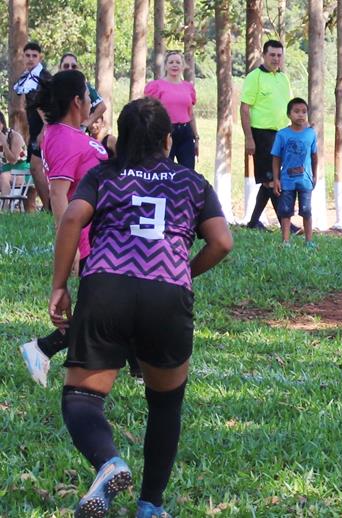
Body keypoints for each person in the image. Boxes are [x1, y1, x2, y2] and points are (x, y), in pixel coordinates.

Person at [48, 97, 232, 517]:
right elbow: (222, 242)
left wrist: (60, 285)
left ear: (121, 139)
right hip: (167, 294)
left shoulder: (103, 174)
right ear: (169, 140)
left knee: (81, 397)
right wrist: (184, 271)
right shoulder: (192, 182)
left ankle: (109, 462)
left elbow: (74, 216)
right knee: (165, 404)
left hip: (105, 285)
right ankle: (151, 506)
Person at [19, 70, 141, 387]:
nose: (91, 102)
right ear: (77, 101)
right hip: (92, 240)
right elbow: (60, 194)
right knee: (106, 312)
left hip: (109, 238)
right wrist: (69, 245)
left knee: (107, 310)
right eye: (88, 96)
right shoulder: (62, 138)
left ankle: (44, 350)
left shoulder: (73, 134)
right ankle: (139, 368)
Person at [240, 40, 299, 233]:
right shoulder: (254, 77)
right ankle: (286, 224)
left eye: (279, 55)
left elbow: (290, 108)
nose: (276, 59)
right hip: (262, 134)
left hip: (282, 134)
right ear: (264, 55)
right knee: (272, 181)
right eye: (272, 55)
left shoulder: (283, 79)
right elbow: (245, 108)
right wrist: (249, 138)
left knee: (271, 181)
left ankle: (254, 222)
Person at [273, 98, 318, 247]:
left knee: (306, 210)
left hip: (305, 180)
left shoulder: (311, 134)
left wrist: (314, 175)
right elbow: (276, 158)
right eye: (296, 111)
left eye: (304, 112)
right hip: (286, 180)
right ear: (289, 114)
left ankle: (309, 241)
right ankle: (286, 241)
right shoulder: (282, 135)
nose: (300, 115)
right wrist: (276, 179)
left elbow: (314, 156)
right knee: (285, 211)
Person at [143, 51, 199, 169]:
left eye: (178, 62)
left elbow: (191, 114)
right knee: (164, 170)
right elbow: (149, 112)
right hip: (164, 133)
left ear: (183, 66)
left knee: (188, 171)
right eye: (171, 62)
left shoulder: (188, 87)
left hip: (185, 133)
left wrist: (196, 137)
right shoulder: (156, 86)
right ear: (166, 66)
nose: (175, 65)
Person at [12, 41, 51, 210]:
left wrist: (45, 129)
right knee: (35, 169)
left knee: (38, 168)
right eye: (27, 55)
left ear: (40, 57)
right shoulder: (27, 76)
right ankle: (46, 207)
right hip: (35, 130)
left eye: (34, 56)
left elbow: (46, 106)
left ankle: (50, 207)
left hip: (44, 130)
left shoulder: (43, 77)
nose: (30, 59)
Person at [58, 52, 107, 133]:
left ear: (77, 69)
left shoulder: (84, 86)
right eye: (66, 66)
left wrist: (86, 124)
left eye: (73, 66)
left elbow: (102, 106)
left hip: (76, 134)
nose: (70, 69)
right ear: (60, 68)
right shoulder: (52, 85)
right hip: (57, 133)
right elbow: (40, 105)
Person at [0, 110, 29, 198]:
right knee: (3, 175)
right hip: (5, 170)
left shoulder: (14, 136)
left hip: (21, 172)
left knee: (4, 176)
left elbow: (13, 160)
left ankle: (6, 208)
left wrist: (4, 143)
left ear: (2, 123)